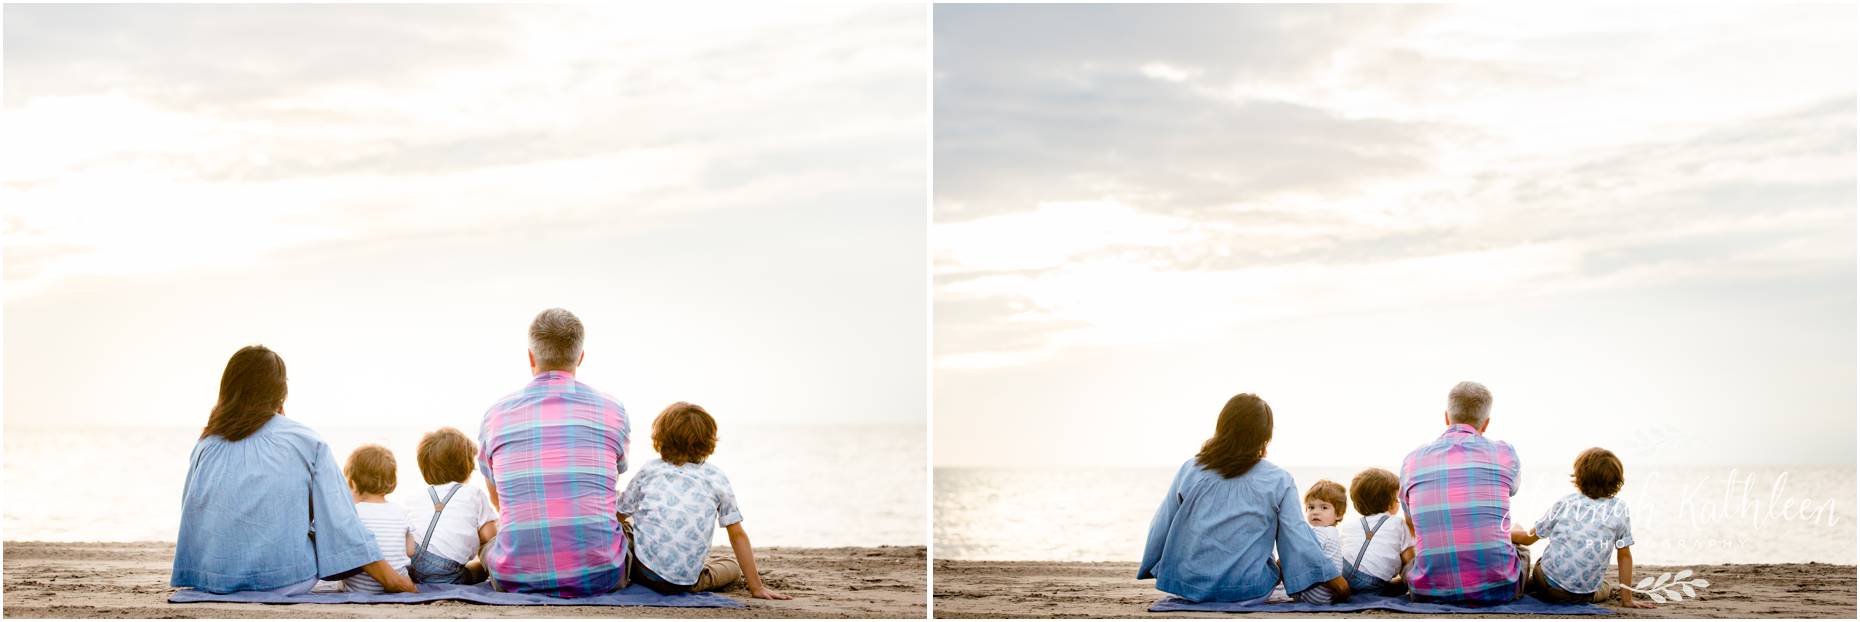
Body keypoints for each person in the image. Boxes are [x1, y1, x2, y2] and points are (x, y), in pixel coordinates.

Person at [172, 345, 416, 595]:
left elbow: (193, 513)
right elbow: (341, 523)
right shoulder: (305, 440)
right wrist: (391, 580)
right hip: (282, 581)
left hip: (210, 579)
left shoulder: (206, 443)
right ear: (281, 392)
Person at [1139, 393, 1351, 603]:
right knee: (1279, 556)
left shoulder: (1190, 469)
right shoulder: (1280, 479)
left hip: (1188, 587)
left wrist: (1153, 567)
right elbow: (1297, 537)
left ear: (1222, 427)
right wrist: (1334, 579)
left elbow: (1162, 524)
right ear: (1265, 436)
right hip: (1249, 589)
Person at [478, 308, 631, 597]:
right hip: (602, 575)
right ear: (581, 357)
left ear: (531, 357)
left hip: (514, 577)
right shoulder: (613, 411)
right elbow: (614, 477)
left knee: (487, 544)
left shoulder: (495, 415)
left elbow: (496, 495)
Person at [617, 402, 791, 600]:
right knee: (732, 567)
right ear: (709, 441)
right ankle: (696, 571)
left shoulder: (650, 470)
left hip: (642, 573)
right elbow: (737, 535)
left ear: (661, 437)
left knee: (626, 526)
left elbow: (619, 514)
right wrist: (756, 588)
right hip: (684, 584)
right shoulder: (717, 478)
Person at [1400, 381, 1527, 605]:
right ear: (1486, 424)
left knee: (1410, 562)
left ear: (1447, 417)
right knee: (1522, 550)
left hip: (1427, 591)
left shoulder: (1412, 461)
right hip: (1500, 589)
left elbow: (1411, 521)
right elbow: (1512, 490)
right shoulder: (1505, 454)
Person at [1511, 448, 1653, 608]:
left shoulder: (1566, 503)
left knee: (1539, 562)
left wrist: (1509, 533)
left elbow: (1528, 539)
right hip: (1583, 596)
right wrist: (1627, 599)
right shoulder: (1619, 509)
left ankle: (1532, 586)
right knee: (1605, 587)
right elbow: (1624, 556)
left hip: (1546, 586)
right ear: (1616, 481)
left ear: (1579, 477)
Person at [406, 427, 498, 585]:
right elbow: (489, 537)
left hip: (408, 562)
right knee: (481, 569)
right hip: (445, 572)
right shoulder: (474, 494)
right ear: (467, 465)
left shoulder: (414, 497)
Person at [341, 444, 416, 594]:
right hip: (400, 583)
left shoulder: (352, 513)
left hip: (361, 589)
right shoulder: (401, 512)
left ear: (352, 484)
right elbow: (410, 550)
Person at [1335, 468, 1415, 593]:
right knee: (1411, 568)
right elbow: (1408, 559)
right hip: (1372, 582)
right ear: (1391, 503)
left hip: (1342, 576)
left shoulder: (1349, 525)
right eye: (1397, 499)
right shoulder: (1398, 523)